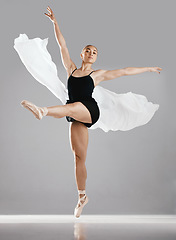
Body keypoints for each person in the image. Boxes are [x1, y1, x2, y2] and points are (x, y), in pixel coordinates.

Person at [15, 6, 162, 218]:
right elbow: (62, 46)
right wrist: (55, 23)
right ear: (82, 53)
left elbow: (124, 71)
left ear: (95, 58)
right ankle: (82, 196)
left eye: (95, 52)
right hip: (76, 114)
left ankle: (42, 111)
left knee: (71, 107)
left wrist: (148, 68)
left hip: (89, 110)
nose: (91, 53)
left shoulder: (97, 75)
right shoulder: (71, 69)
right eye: (88, 50)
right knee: (78, 157)